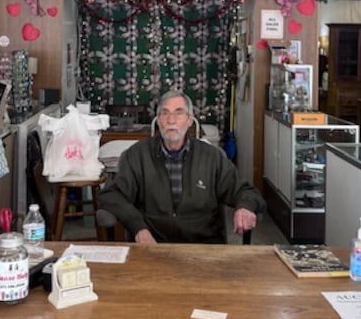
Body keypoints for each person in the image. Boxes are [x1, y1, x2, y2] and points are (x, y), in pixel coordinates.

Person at [98, 90, 265, 244]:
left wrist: (245, 207)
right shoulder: (137, 155)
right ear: (158, 120)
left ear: (190, 120)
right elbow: (111, 194)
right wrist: (138, 227)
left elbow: (246, 191)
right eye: (165, 113)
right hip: (154, 244)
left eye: (179, 113)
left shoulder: (211, 157)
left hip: (203, 246)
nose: (171, 120)